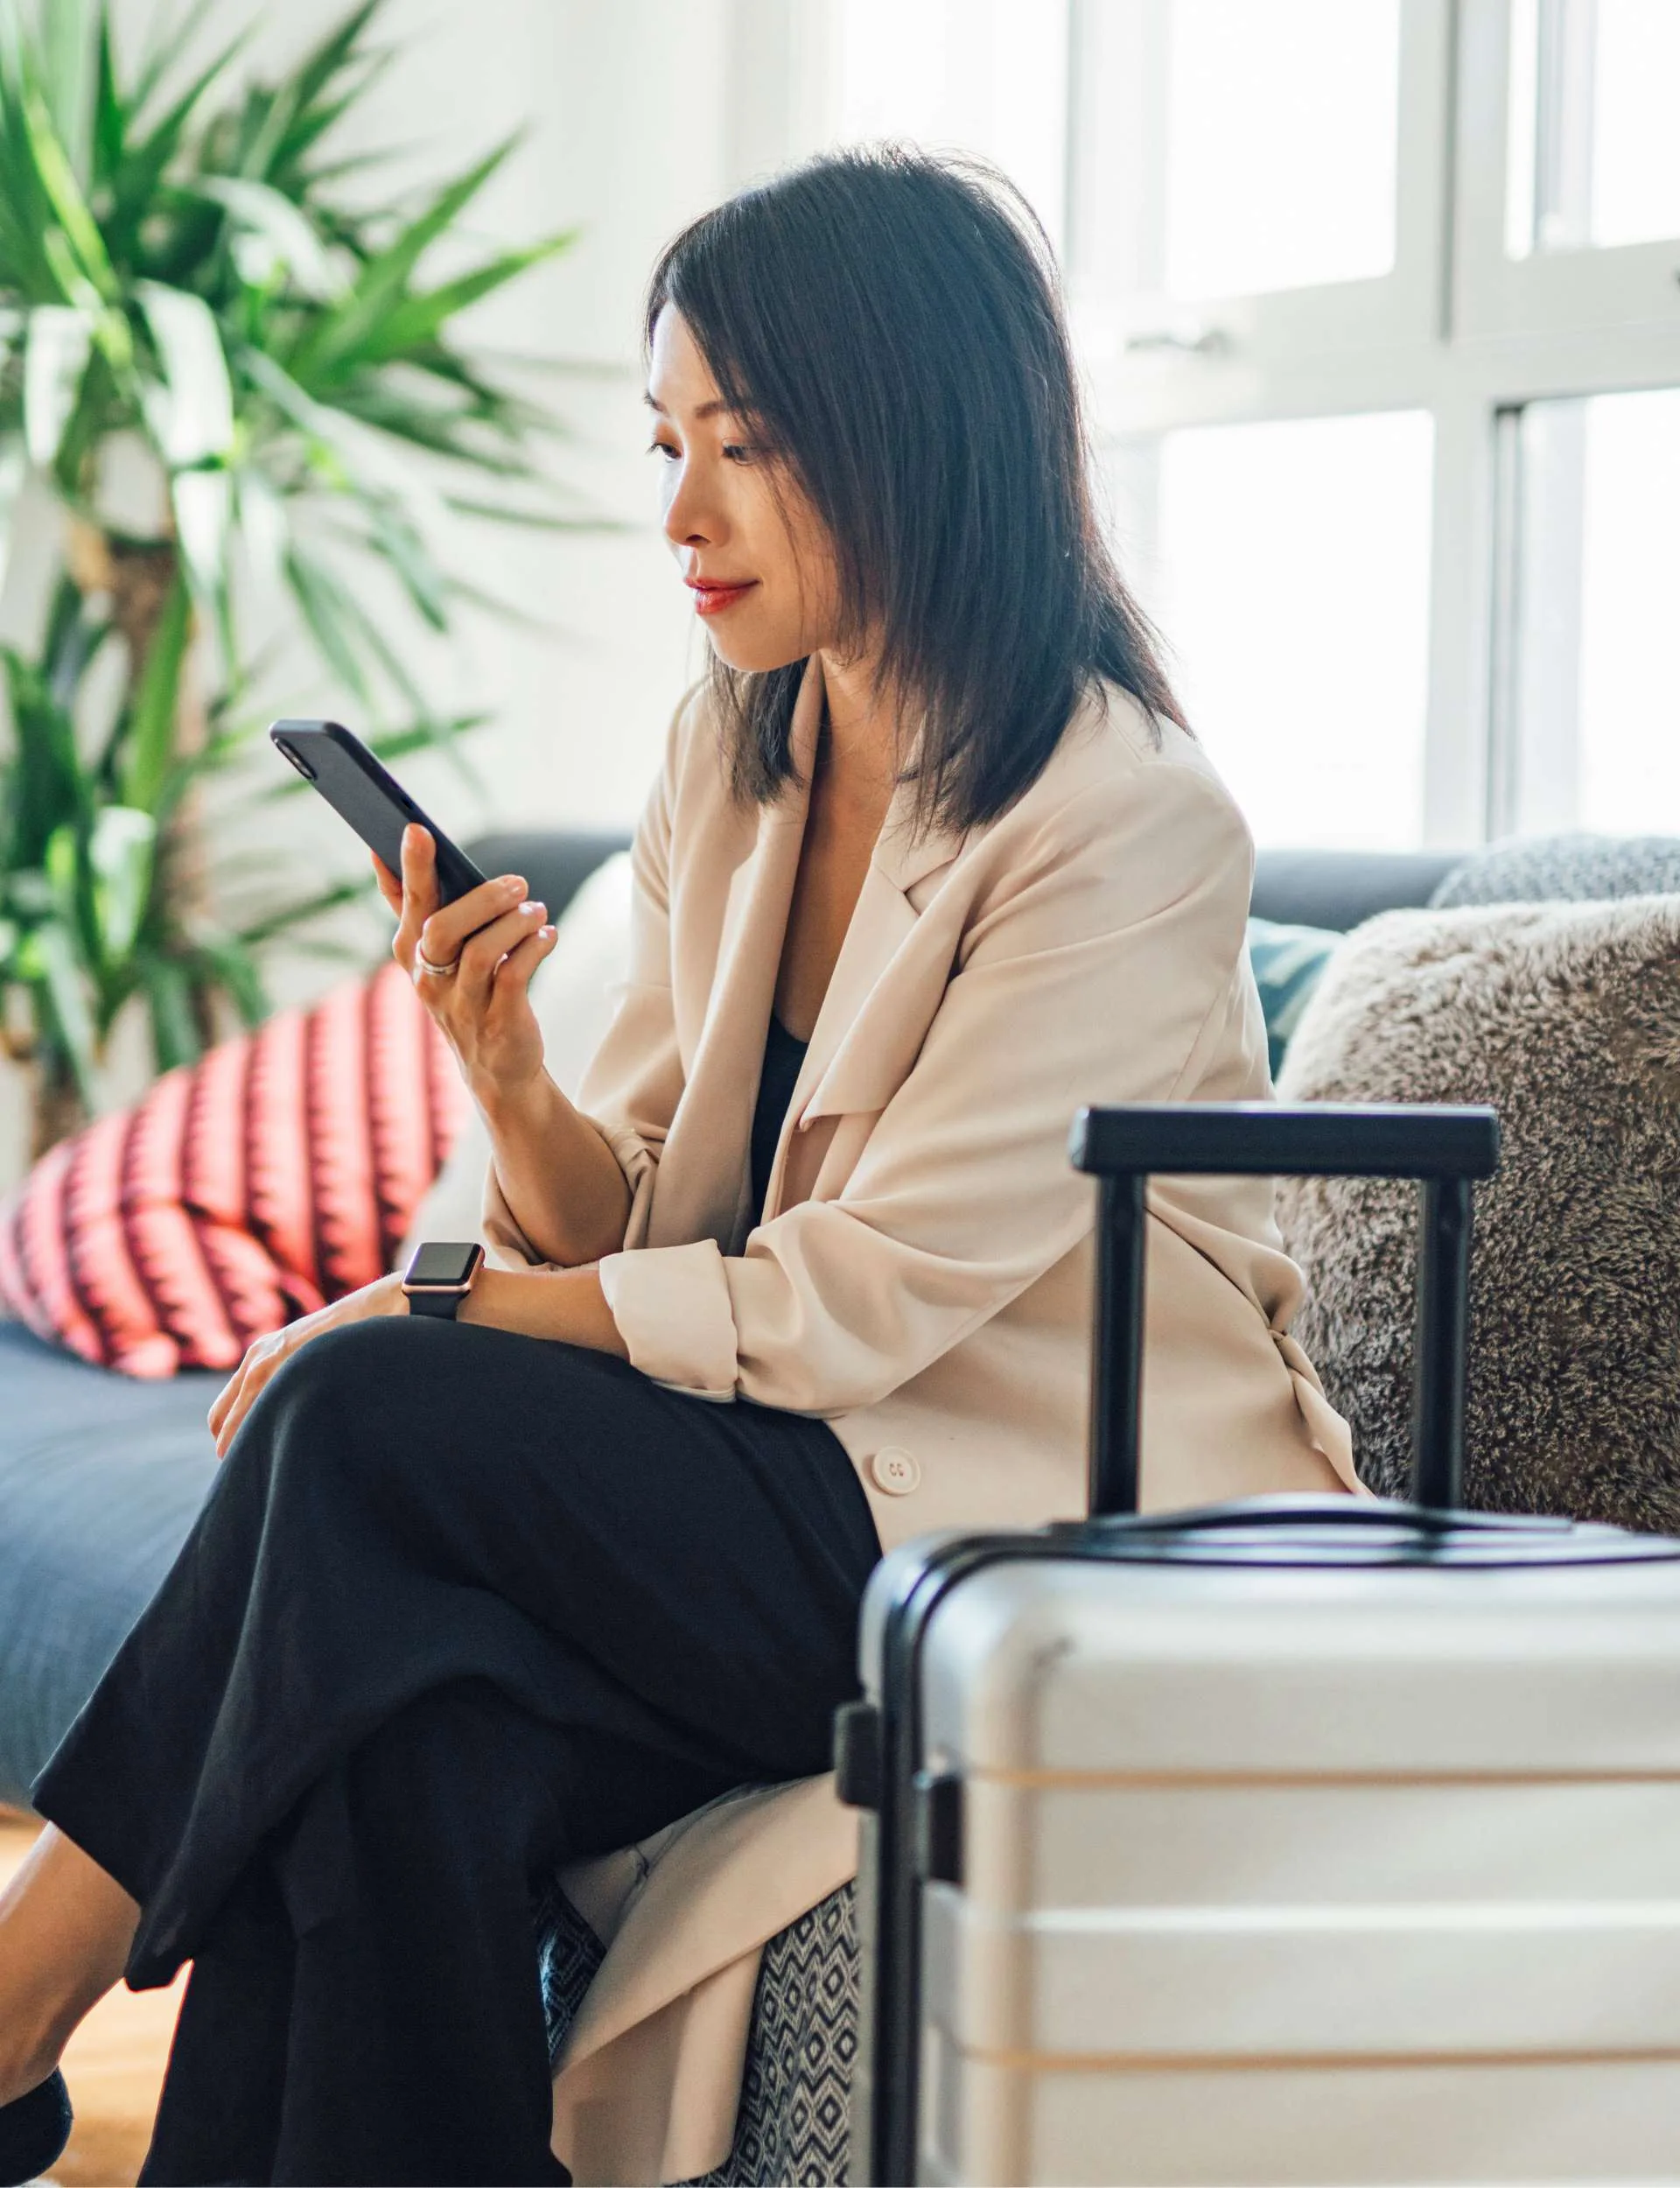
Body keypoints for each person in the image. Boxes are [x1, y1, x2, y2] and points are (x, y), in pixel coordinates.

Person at [0, 146, 1357, 2187]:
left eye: (746, 443)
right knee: (407, 1742)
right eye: (667, 442)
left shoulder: (1130, 817)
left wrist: (434, 1299)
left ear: (911, 434)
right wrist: (514, 1077)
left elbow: (860, 1295)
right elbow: (631, 1213)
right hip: (777, 1492)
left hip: (1018, 1526)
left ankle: (13, 2008)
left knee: (368, 1405)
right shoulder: (737, 746)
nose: (682, 513)